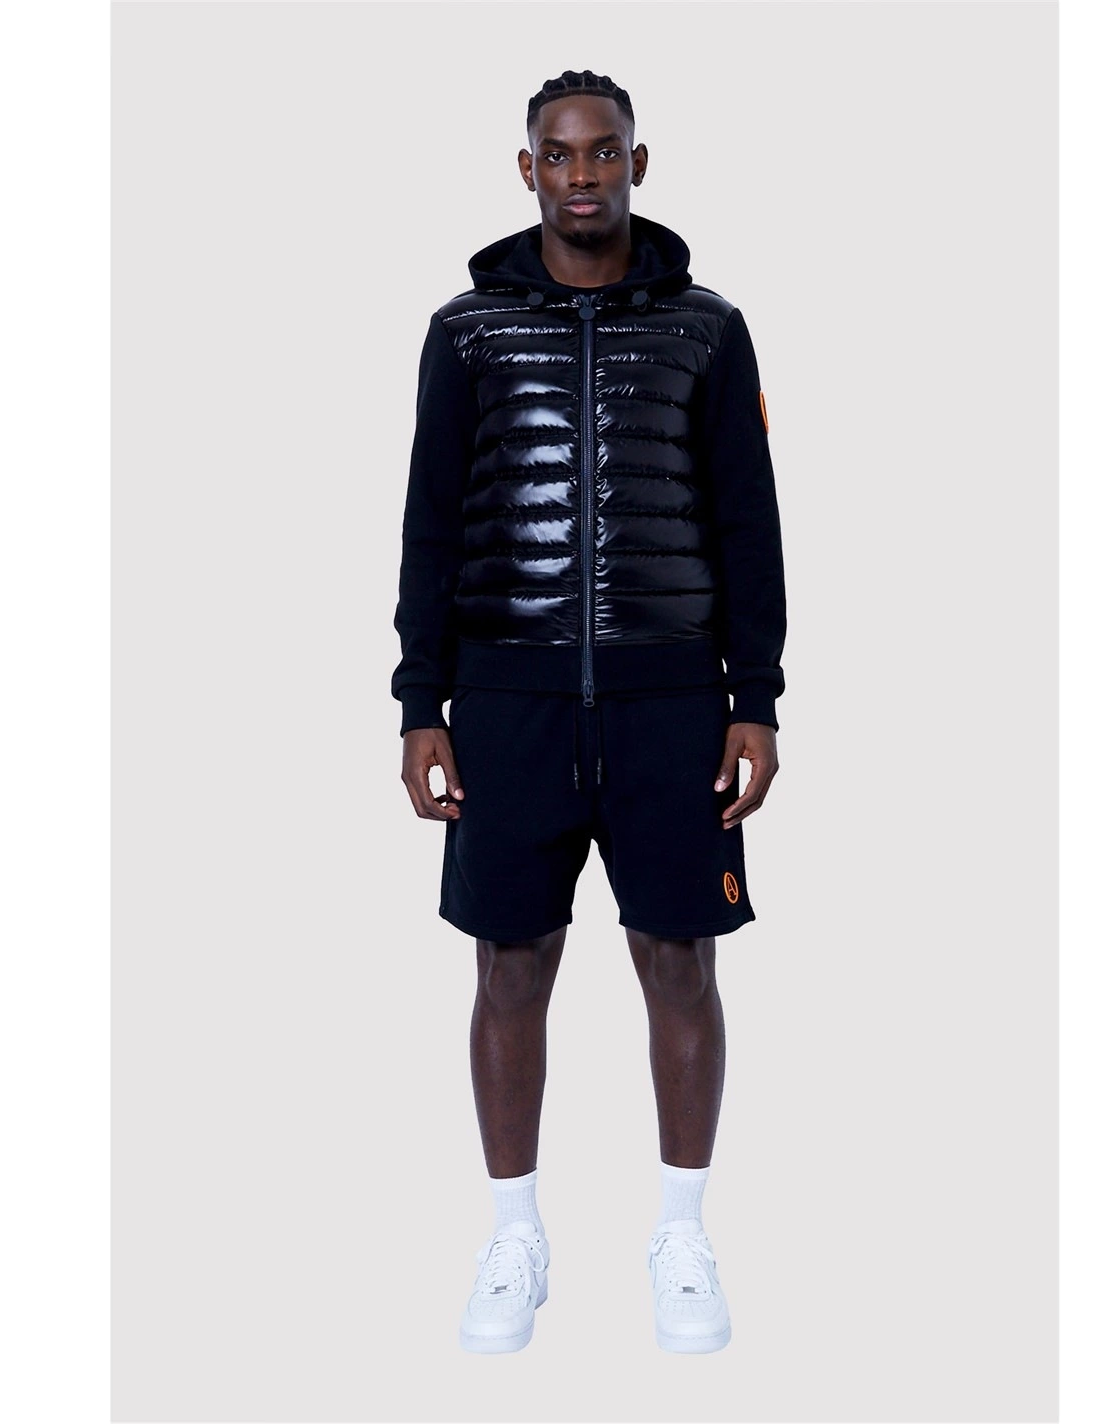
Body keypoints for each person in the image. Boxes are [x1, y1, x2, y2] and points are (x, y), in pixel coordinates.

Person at [391, 68, 786, 1354]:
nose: (581, 174)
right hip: (507, 704)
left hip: (672, 703)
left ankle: (683, 1234)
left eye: (603, 152)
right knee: (511, 966)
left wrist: (754, 699)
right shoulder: (466, 333)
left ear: (637, 163)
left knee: (681, 962)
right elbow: (431, 526)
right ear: (528, 170)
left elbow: (748, 525)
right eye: (558, 155)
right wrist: (421, 703)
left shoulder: (709, 330)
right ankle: (516, 1236)